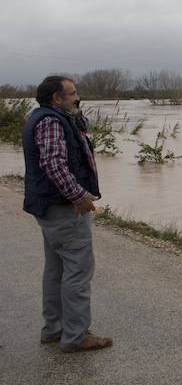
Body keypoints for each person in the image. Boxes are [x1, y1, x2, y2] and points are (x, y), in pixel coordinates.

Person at [22, 75, 112, 353]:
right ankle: (75, 336)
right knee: (77, 271)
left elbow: (78, 135)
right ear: (56, 98)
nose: (78, 97)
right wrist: (80, 197)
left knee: (56, 270)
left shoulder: (53, 117)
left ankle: (55, 330)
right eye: (72, 94)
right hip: (64, 208)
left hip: (50, 206)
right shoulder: (50, 122)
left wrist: (76, 112)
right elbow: (54, 164)